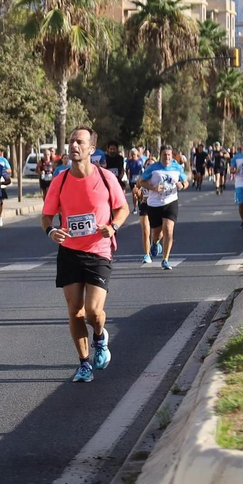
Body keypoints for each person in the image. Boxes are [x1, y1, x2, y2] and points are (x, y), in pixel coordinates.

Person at [42, 127, 131, 384]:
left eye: (79, 142)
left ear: (91, 149)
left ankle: (100, 338)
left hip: (99, 251)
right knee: (75, 311)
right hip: (69, 251)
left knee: (93, 312)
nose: (74, 146)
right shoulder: (60, 181)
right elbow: (47, 215)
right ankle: (84, 364)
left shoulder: (105, 178)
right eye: (71, 141)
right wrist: (51, 232)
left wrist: (112, 226)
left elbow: (122, 208)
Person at [142, 144, 189, 270]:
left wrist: (182, 185)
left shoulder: (176, 167)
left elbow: (186, 181)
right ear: (160, 155)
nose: (167, 157)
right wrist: (153, 188)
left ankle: (165, 259)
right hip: (155, 204)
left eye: (169, 155)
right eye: (164, 155)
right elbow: (141, 181)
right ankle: (155, 242)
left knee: (168, 229)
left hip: (171, 201)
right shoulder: (153, 168)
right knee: (157, 233)